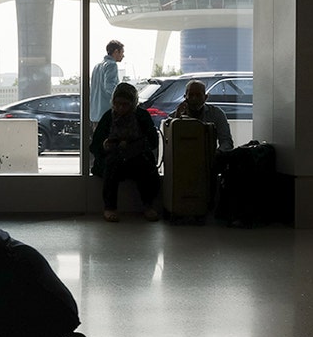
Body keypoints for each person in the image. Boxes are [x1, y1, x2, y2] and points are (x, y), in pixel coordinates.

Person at [89, 83, 161, 222]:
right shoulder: (108, 117)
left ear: (133, 104)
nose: (120, 108)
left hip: (137, 158)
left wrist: (134, 146)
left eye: (125, 104)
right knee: (112, 163)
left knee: (143, 166)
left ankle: (148, 205)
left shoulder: (141, 116)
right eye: (117, 104)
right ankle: (110, 207)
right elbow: (95, 145)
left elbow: (153, 142)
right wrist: (105, 145)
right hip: (113, 160)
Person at [171, 79, 234, 152]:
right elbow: (170, 141)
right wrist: (177, 117)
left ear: (206, 97)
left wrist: (217, 154)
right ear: (185, 97)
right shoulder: (176, 115)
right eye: (191, 95)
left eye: (198, 95)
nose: (194, 98)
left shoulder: (216, 114)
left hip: (209, 159)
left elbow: (227, 142)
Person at [90, 40, 124, 131]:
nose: (123, 56)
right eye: (122, 52)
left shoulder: (97, 67)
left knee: (98, 141)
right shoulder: (111, 65)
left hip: (95, 114)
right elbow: (110, 87)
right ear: (116, 51)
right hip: (107, 112)